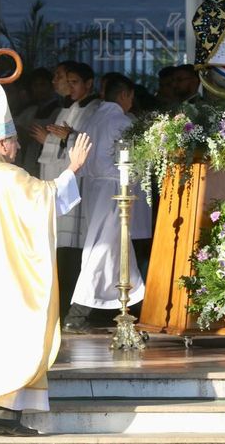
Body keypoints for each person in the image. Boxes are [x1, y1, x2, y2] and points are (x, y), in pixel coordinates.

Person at [0, 84, 92, 437]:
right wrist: (73, 168)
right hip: (3, 276)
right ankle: (4, 418)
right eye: (14, 142)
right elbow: (43, 199)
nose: (17, 148)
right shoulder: (5, 176)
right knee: (8, 337)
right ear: (0, 143)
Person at [63, 75, 145, 333]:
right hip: (113, 188)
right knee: (101, 248)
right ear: (124, 95)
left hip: (95, 188)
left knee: (116, 249)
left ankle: (138, 305)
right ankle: (76, 313)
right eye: (131, 97)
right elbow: (131, 160)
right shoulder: (120, 121)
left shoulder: (92, 119)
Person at [37, 62, 101, 322]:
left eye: (75, 82)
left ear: (89, 84)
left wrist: (66, 138)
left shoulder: (94, 109)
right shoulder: (69, 107)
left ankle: (75, 307)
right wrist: (59, 138)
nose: (70, 86)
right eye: (69, 81)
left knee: (74, 247)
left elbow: (88, 142)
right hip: (58, 173)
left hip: (79, 182)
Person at [14, 67, 61, 177]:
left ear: (51, 87)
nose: (39, 89)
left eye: (43, 85)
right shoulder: (30, 110)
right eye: (35, 86)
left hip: (48, 163)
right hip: (28, 161)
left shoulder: (59, 112)